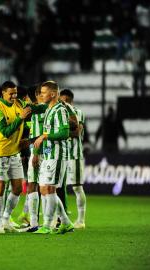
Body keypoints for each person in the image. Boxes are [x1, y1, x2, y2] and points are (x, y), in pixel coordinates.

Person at [32, 81, 73, 234]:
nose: (41, 95)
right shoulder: (49, 109)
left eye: (44, 92)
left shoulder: (60, 110)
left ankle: (48, 225)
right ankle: (66, 223)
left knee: (49, 188)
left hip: (57, 155)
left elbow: (65, 133)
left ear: (53, 94)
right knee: (45, 189)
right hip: (49, 154)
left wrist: (45, 136)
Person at [0, 81, 31, 233]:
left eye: (15, 93)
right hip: (0, 153)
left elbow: (30, 112)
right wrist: (21, 118)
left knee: (18, 188)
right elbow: (5, 132)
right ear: (3, 93)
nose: (14, 96)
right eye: (11, 93)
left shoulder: (19, 103)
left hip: (15, 152)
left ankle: (6, 219)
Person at [18, 85, 44, 232]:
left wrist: (34, 150)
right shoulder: (33, 110)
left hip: (43, 153)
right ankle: (34, 223)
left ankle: (56, 221)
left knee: (46, 188)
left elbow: (44, 134)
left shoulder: (45, 109)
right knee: (32, 185)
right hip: (34, 151)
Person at [59, 89, 87, 229]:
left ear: (70, 100)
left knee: (76, 187)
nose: (63, 103)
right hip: (61, 155)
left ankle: (81, 220)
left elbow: (77, 132)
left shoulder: (78, 112)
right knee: (57, 187)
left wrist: (60, 132)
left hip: (74, 155)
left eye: (65, 101)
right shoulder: (58, 113)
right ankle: (59, 219)